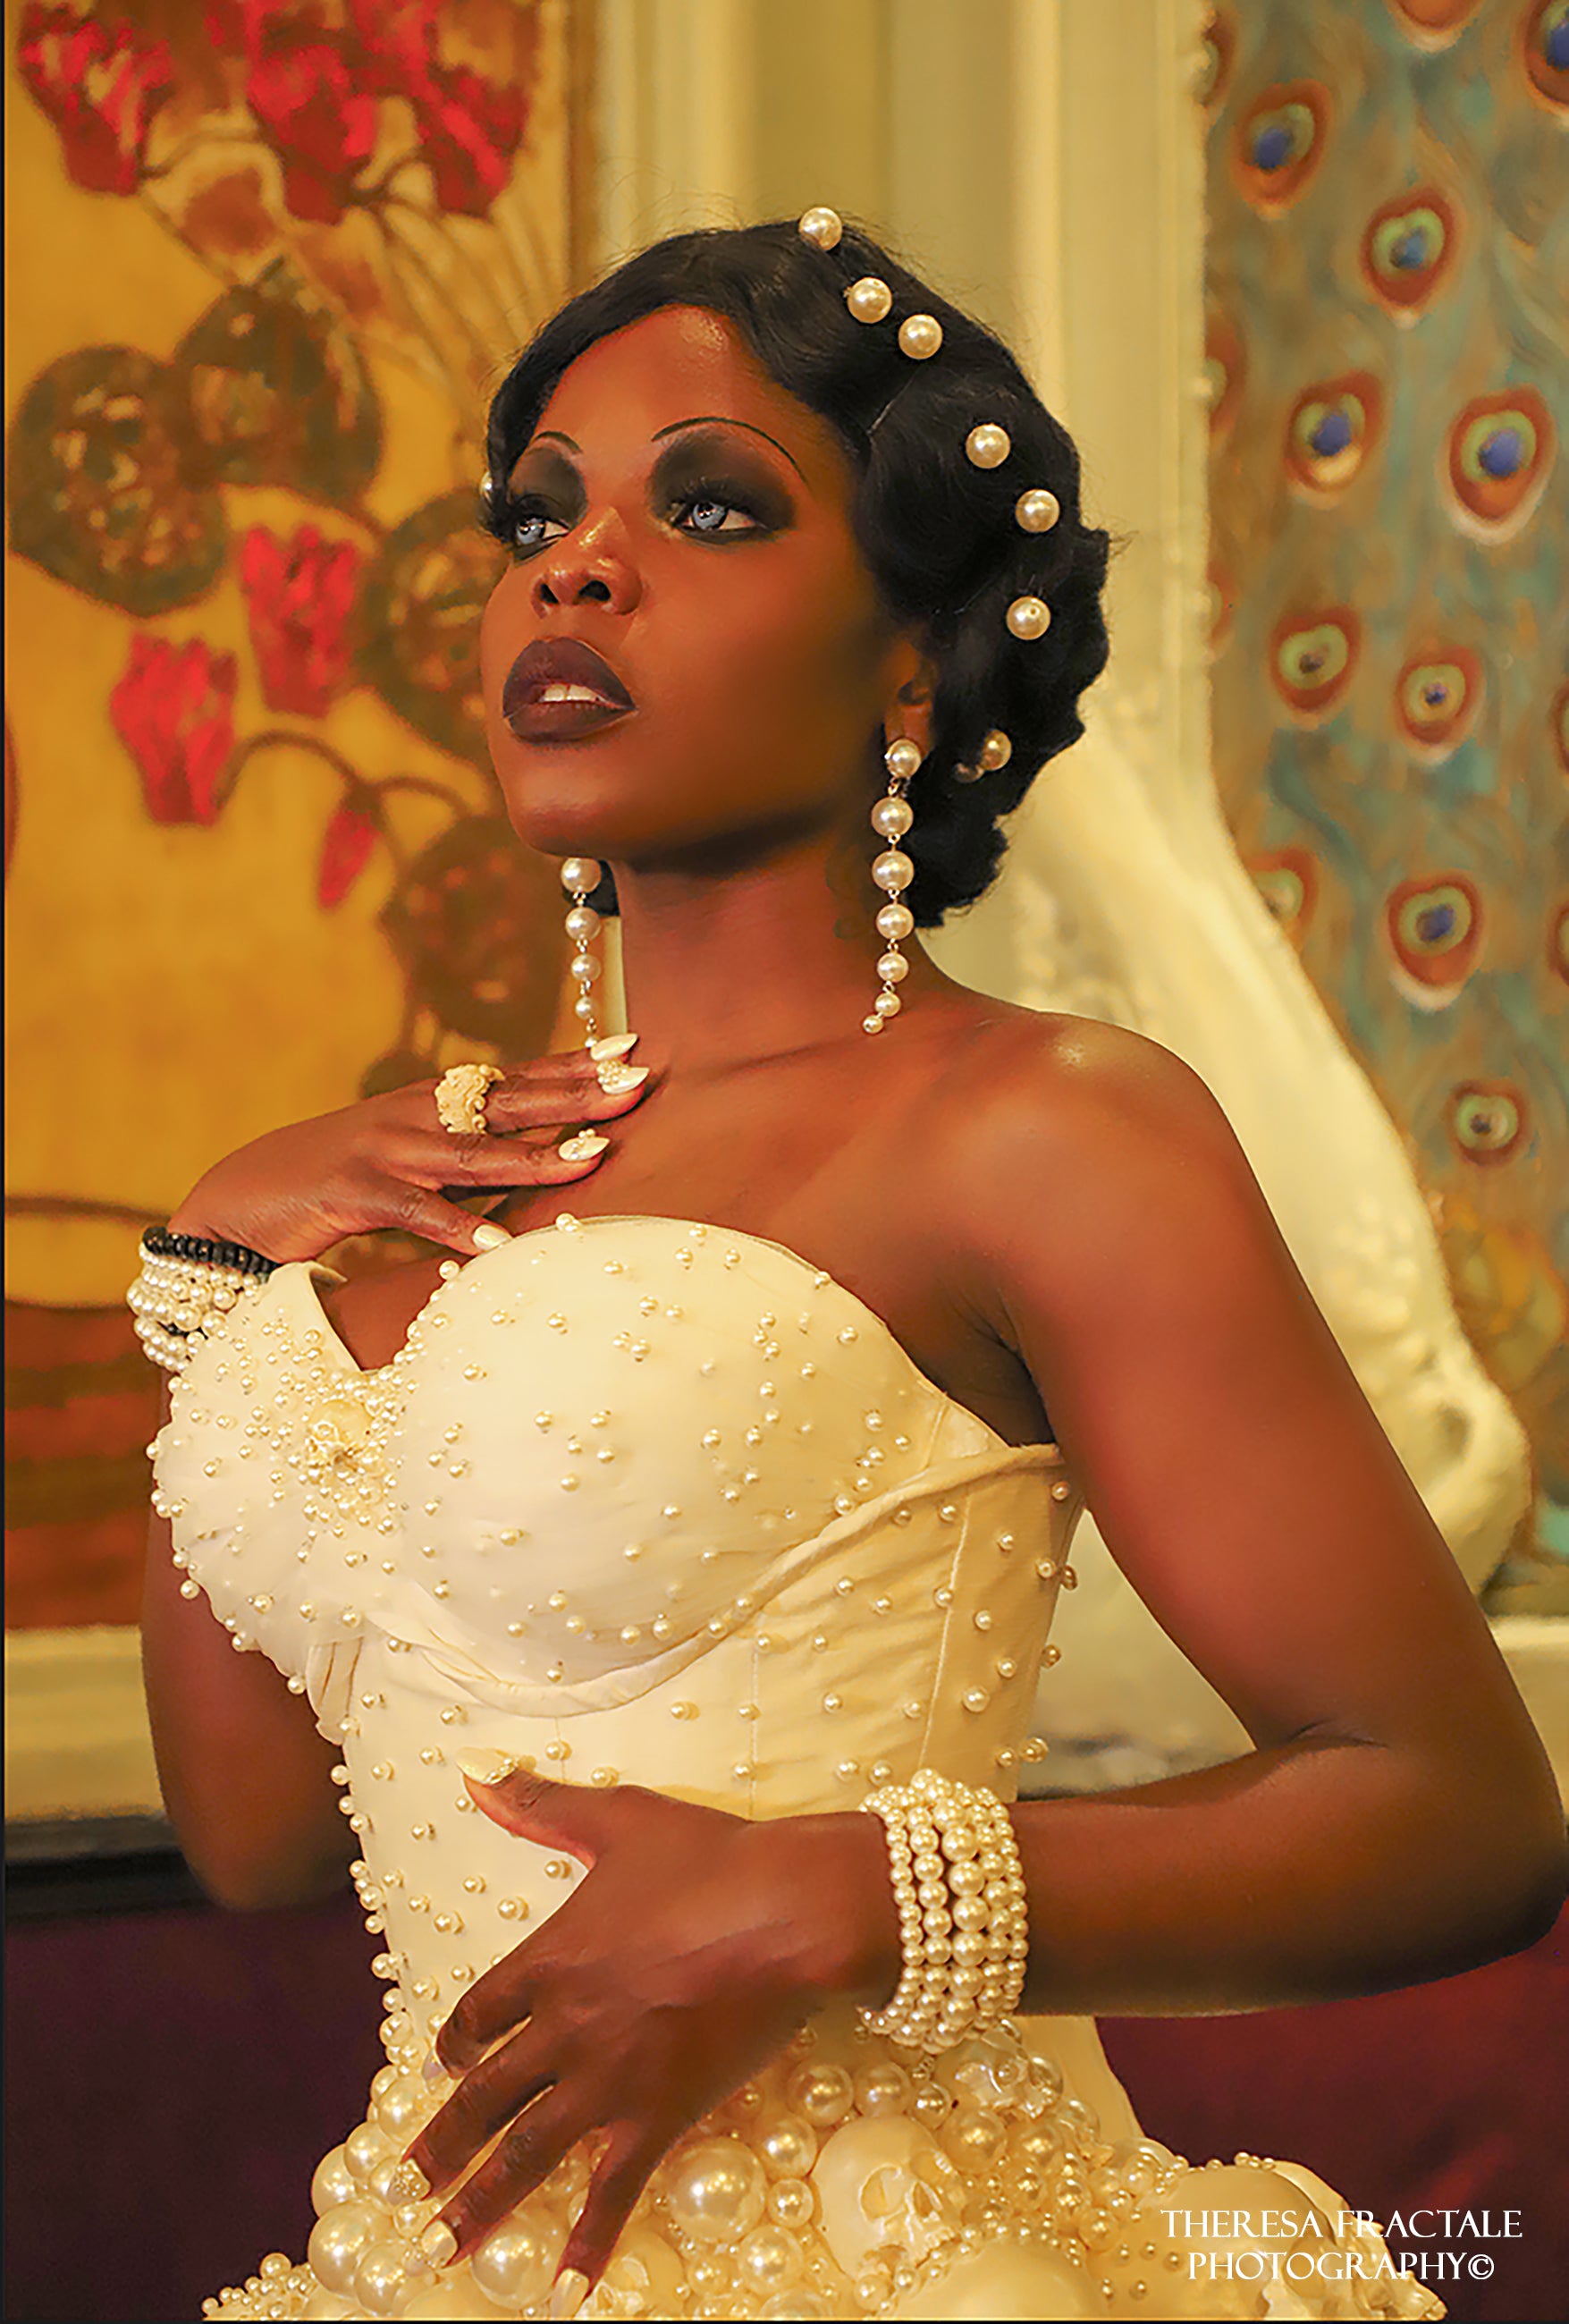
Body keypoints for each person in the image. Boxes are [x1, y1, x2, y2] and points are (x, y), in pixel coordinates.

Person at [139, 215, 1565, 2324]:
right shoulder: (418, 1168)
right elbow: (261, 1839)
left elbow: (1454, 1815)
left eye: (704, 505)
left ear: (913, 658)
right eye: (538, 512)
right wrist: (206, 1268)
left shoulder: (1038, 1125)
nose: (573, 565)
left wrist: (831, 1898)